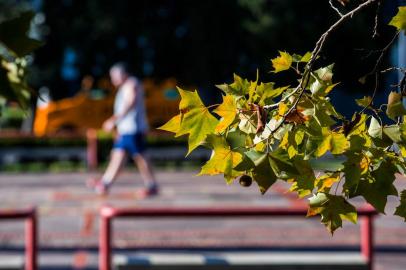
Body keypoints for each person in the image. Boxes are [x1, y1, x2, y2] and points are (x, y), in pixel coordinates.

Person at [87, 62, 158, 198]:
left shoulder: (132, 83)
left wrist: (114, 120)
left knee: (140, 157)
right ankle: (105, 183)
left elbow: (130, 102)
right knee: (119, 155)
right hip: (126, 130)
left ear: (123, 73)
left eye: (114, 75)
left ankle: (151, 185)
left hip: (133, 129)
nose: (113, 79)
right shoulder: (125, 86)